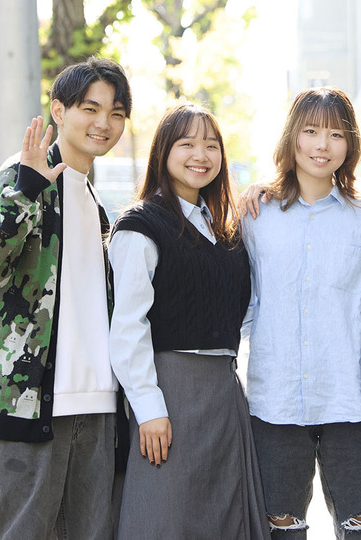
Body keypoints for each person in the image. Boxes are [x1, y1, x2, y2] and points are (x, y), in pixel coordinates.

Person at [0, 58, 132, 538]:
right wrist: (27, 189)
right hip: (29, 401)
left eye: (116, 113)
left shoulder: (95, 202)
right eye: (90, 108)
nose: (103, 123)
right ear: (58, 110)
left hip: (96, 406)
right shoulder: (24, 177)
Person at [108, 103, 269, 539]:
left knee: (224, 519)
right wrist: (149, 409)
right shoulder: (140, 225)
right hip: (169, 393)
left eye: (211, 146)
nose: (201, 155)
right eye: (187, 144)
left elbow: (246, 312)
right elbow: (128, 327)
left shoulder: (225, 229)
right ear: (163, 152)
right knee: (165, 517)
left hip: (223, 393)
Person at [241, 87, 361, 539]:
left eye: (336, 134)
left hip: (353, 399)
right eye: (310, 131)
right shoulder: (254, 214)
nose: (322, 145)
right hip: (276, 400)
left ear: (350, 145)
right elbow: (246, 299)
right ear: (293, 138)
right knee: (279, 528)